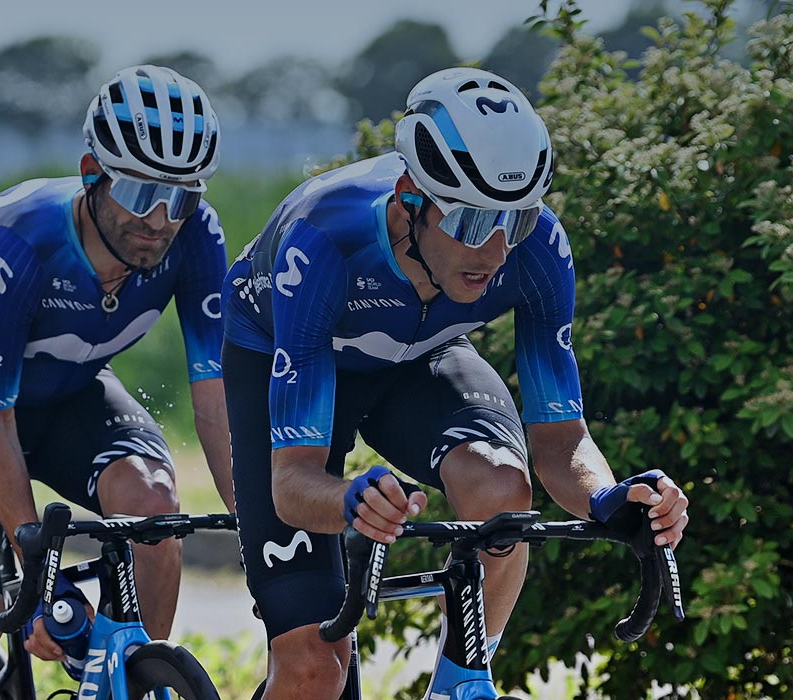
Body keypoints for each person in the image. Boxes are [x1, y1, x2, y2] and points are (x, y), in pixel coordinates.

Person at [224, 68, 693, 697]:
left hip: (420, 354)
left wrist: (609, 501)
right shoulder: (324, 240)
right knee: (315, 667)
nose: (496, 249)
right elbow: (292, 485)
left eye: (515, 220)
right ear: (410, 198)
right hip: (289, 355)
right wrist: (348, 502)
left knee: (502, 486)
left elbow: (561, 441)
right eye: (472, 223)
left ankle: (460, 681)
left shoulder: (538, 249)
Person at [0, 65, 232, 699]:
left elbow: (215, 397)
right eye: (139, 193)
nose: (160, 220)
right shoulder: (20, 244)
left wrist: (256, 524)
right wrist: (38, 572)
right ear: (91, 173)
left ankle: (134, 678)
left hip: (69, 395)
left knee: (154, 509)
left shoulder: (196, 237)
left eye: (181, 196)